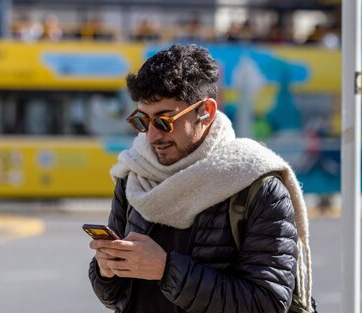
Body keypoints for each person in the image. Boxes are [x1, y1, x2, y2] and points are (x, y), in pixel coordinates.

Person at [88, 44, 312, 313]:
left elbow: (267, 303)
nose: (151, 136)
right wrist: (106, 270)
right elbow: (115, 297)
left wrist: (165, 269)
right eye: (143, 121)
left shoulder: (257, 184)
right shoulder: (135, 175)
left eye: (164, 121)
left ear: (205, 111)